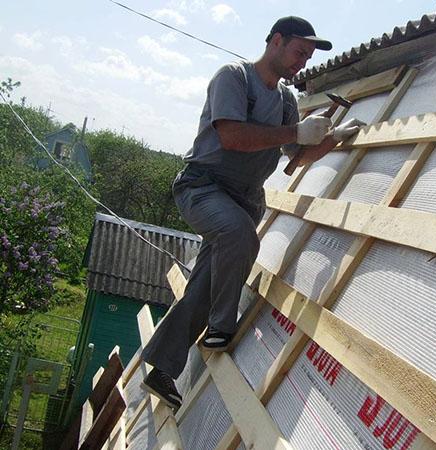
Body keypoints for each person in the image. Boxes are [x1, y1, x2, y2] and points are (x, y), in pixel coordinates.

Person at [140, 16, 364, 410]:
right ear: (276, 41)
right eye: (299, 52)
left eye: (307, 57)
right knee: (241, 236)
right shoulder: (234, 78)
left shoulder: (286, 102)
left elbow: (297, 157)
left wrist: (331, 140)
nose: (302, 62)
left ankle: (161, 370)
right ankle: (222, 328)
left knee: (207, 282)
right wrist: (295, 133)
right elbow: (232, 135)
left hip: (244, 200)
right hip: (203, 187)